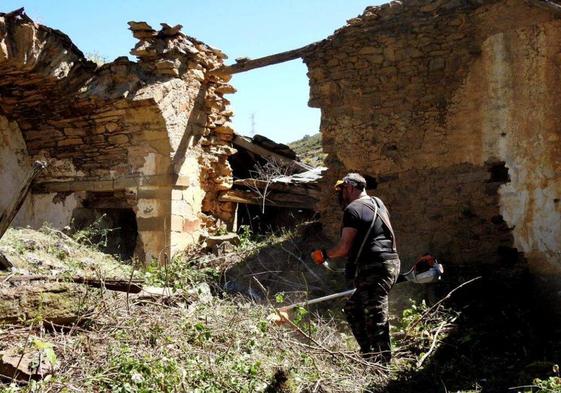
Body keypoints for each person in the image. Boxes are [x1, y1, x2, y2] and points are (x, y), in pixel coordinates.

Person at [311, 173, 400, 363]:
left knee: (374, 313)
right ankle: (369, 354)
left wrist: (324, 254)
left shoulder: (353, 209)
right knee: (354, 308)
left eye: (342, 189)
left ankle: (382, 364)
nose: (340, 194)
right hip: (389, 262)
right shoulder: (377, 203)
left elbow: (344, 247)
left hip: (375, 266)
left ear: (350, 187)